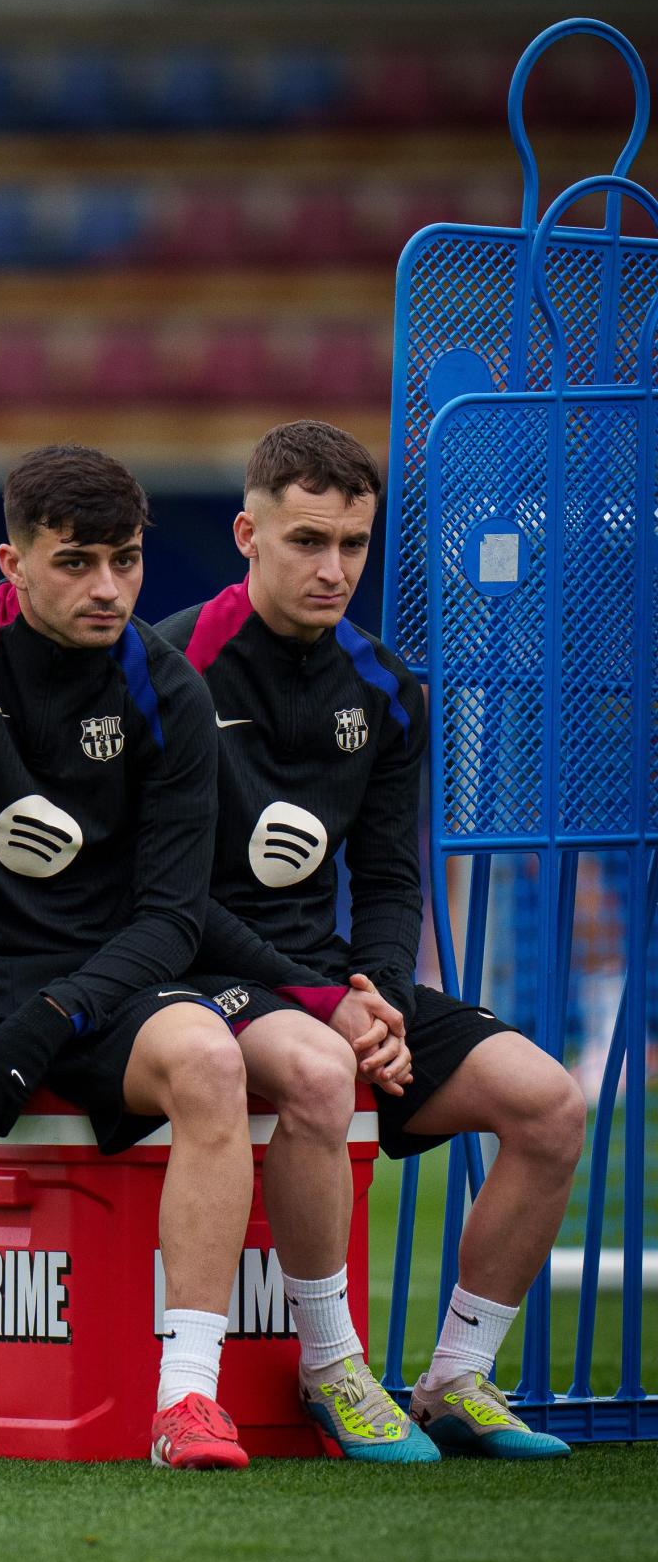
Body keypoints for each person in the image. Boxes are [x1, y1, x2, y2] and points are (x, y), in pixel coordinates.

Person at [157, 419, 586, 1461]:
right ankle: (333, 1367)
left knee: (548, 1103)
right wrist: (326, 1007)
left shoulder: (385, 685)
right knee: (313, 1070)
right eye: (307, 540)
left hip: (330, 980)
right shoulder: (166, 668)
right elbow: (161, 896)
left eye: (353, 542)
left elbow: (392, 875)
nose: (333, 567)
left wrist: (378, 993)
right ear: (245, 533)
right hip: (195, 973)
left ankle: (454, 1377)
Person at [0, 442, 279, 1471]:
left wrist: (56, 1013)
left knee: (210, 1062)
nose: (106, 586)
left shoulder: (166, 688)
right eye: (74, 561)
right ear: (11, 563)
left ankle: (186, 1394)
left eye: (125, 560)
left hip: (107, 985)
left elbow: (172, 916)